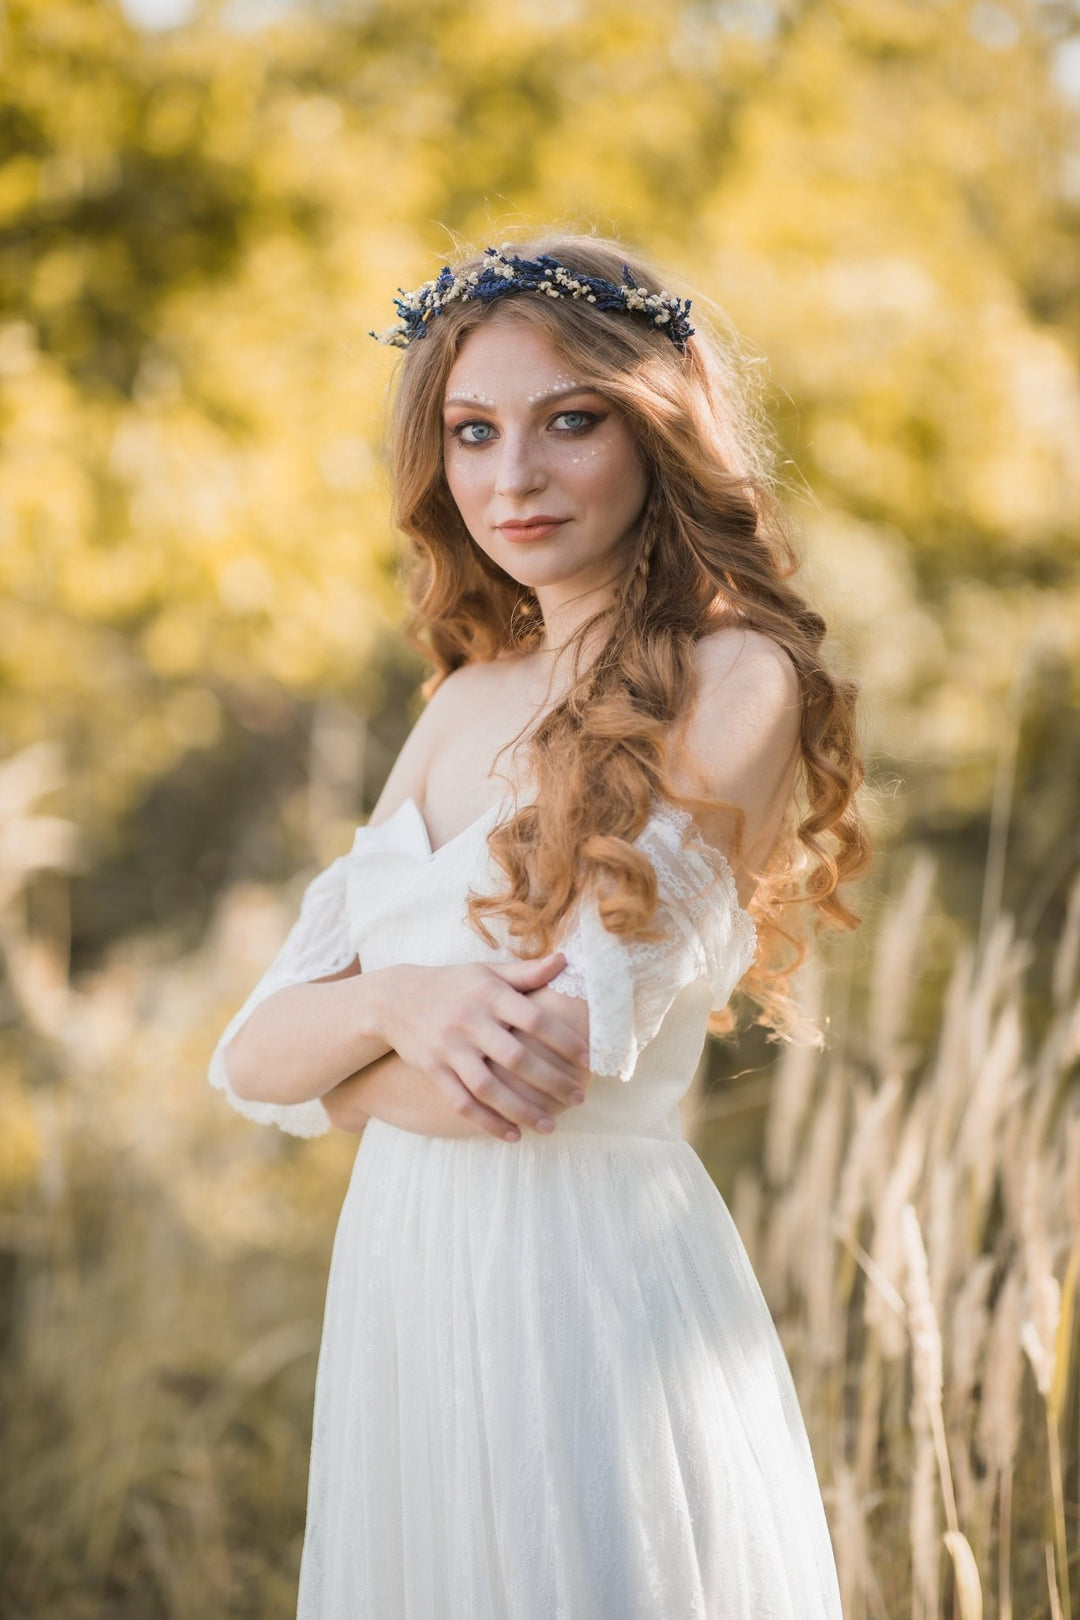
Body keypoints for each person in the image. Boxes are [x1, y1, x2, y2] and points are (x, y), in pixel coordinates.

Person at [207, 233, 871, 1619]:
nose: (513, 476)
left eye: (569, 421)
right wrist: (399, 1011)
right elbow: (252, 1052)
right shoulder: (459, 699)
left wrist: (353, 1068)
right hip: (406, 1297)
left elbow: (536, 1067)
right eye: (473, 431)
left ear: (658, 425)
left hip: (583, 1300)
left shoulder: (733, 675)